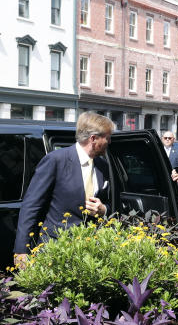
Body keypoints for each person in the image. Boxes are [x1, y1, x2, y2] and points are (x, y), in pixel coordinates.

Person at [14, 112, 113, 266]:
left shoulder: (102, 166)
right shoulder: (56, 160)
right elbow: (31, 206)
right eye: (107, 137)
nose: (109, 141)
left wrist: (103, 209)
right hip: (55, 249)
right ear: (93, 139)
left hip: (90, 251)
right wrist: (21, 250)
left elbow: (110, 202)